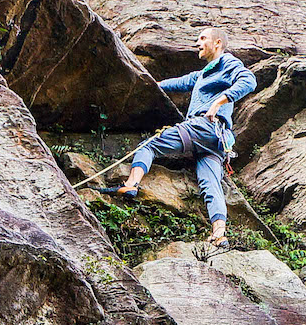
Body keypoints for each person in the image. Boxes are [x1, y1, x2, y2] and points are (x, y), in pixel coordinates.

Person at [106, 27, 256, 248]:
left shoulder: (228, 62)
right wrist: (147, 84)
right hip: (217, 141)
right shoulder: (202, 75)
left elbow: (249, 81)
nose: (197, 42)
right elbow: (177, 83)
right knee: (210, 183)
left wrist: (218, 103)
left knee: (150, 145)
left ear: (217, 44)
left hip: (204, 127)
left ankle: (131, 184)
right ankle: (219, 234)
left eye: (203, 38)